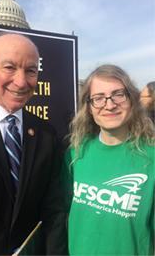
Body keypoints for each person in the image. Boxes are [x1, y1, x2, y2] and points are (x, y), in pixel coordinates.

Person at [0, 32, 68, 255]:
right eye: (10, 67)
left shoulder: (47, 134)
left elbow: (53, 211)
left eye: (31, 71)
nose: (21, 81)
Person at [63, 64, 155, 255]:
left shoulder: (151, 157)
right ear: (88, 107)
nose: (110, 104)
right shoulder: (76, 153)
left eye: (119, 94)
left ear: (132, 99)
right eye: (98, 98)